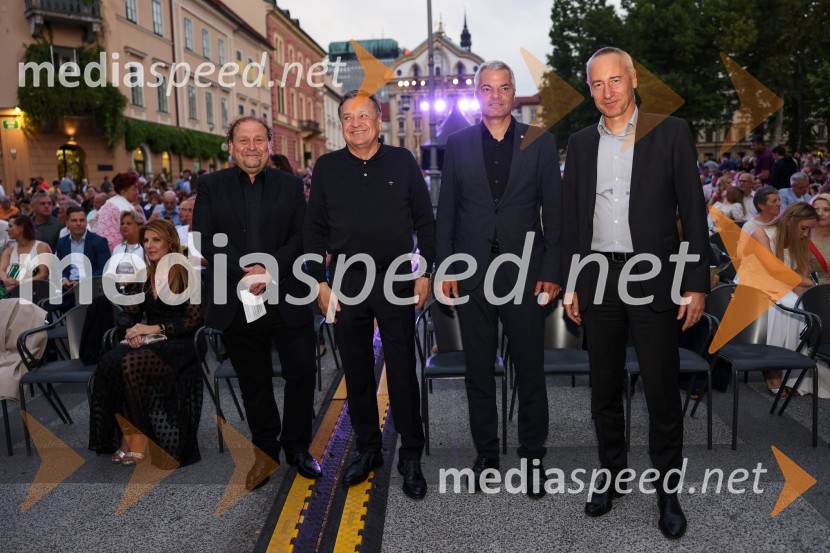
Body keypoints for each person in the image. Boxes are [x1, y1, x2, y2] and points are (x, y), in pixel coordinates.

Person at [561, 47, 708, 539]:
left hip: (654, 277)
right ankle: (614, 472)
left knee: (661, 389)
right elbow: (571, 222)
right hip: (599, 276)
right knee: (604, 387)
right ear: (590, 89)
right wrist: (573, 282)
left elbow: (692, 211)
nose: (607, 92)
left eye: (615, 81)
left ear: (633, 79)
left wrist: (694, 284)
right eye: (597, 84)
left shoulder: (670, 132)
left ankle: (668, 492)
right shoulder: (580, 144)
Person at [435, 60, 561, 498]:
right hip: (471, 275)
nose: (495, 95)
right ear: (477, 94)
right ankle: (486, 454)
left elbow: (555, 212)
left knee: (530, 369)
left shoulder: (540, 142)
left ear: (513, 92)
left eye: (503, 87)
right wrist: (445, 268)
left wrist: (551, 271)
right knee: (477, 371)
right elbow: (446, 211)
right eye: (486, 88)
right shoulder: (458, 143)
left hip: (525, 273)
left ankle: (533, 456)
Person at [305, 90, 434, 500]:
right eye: (347, 117)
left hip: (396, 276)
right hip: (345, 280)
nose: (356, 123)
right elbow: (314, 231)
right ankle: (368, 448)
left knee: (400, 370)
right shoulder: (325, 168)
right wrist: (319, 283)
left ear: (379, 120)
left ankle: (411, 455)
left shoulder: (402, 161)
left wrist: (425, 268)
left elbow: (425, 221)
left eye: (364, 115)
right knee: (357, 372)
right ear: (340, 124)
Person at [194, 115, 321, 490]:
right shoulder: (211, 185)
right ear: (230, 147)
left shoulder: (291, 185)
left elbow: (302, 236)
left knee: (301, 373)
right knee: (254, 381)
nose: (251, 147)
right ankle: (264, 452)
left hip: (286, 294)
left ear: (269, 145)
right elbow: (204, 237)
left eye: (258, 140)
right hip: (237, 298)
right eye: (243, 141)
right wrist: (242, 269)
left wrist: (269, 269)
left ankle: (297, 447)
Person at [88, 219, 203, 467]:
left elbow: (193, 320)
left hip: (180, 343)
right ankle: (128, 435)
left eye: (156, 240)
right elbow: (130, 311)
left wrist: (154, 327)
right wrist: (131, 328)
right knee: (109, 362)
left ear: (170, 242)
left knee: (131, 362)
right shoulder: (146, 273)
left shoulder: (185, 271)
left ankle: (138, 438)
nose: (149, 246)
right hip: (153, 339)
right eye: (146, 241)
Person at [751, 203, 818, 396]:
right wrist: (812, 285)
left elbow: (800, 277)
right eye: (804, 228)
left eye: (810, 229)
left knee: (798, 306)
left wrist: (803, 298)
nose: (806, 234)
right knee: (785, 304)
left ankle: (793, 373)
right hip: (753, 286)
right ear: (789, 221)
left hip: (782, 287)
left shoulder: (801, 240)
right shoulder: (761, 233)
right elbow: (772, 270)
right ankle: (772, 367)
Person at [55, 206, 110, 287]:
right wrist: (63, 278)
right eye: (74, 220)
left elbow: (103, 269)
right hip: (68, 286)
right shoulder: (62, 242)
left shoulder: (99, 242)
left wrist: (83, 283)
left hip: (91, 287)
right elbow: (58, 267)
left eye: (82, 220)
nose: (78, 223)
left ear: (86, 222)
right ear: (67, 223)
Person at [0, 215, 51, 295]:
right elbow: (1, 270)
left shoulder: (41, 247)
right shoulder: (9, 250)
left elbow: (43, 275)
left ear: (21, 228)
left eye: (10, 226)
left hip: (34, 292)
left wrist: (18, 283)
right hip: (9, 290)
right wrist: (7, 280)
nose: (6, 229)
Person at [97, 173, 145, 253]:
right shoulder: (124, 207)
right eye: (134, 189)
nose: (137, 192)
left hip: (103, 250)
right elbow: (138, 233)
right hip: (120, 252)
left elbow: (93, 222)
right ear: (123, 191)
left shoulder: (109, 202)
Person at [809, 194, 830, 284]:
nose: (820, 214)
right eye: (816, 210)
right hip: (813, 291)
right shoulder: (803, 237)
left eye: (826, 210)